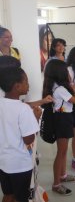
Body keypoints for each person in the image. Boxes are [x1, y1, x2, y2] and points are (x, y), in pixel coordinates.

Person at [43, 59, 75, 195]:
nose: (68, 73)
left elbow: (72, 101)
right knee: (61, 152)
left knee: (63, 151)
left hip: (64, 118)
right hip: (62, 120)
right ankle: (56, 184)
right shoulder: (61, 88)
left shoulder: (56, 86)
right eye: (66, 71)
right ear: (60, 73)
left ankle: (63, 176)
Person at [0, 66, 40, 202]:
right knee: (21, 197)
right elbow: (29, 139)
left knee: (8, 194)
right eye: (26, 82)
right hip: (20, 165)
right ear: (17, 86)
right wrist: (35, 118)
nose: (28, 85)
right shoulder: (23, 109)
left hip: (3, 162)